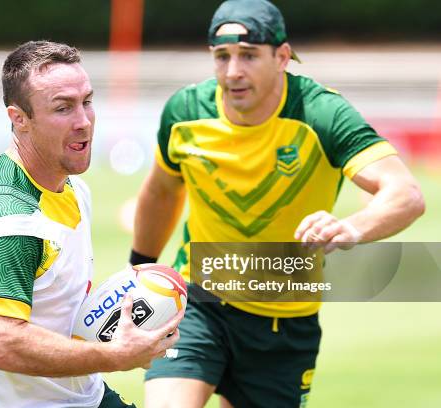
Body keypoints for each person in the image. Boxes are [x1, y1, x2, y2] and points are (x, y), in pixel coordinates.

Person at [130, 1, 426, 407]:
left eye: (248, 56)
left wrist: (352, 227)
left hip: (283, 320)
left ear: (282, 57)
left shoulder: (322, 113)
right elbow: (162, 191)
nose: (233, 71)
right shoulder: (185, 112)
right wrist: (137, 268)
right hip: (198, 302)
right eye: (222, 57)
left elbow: (404, 194)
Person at [0, 40, 182, 408]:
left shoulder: (70, 186)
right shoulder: (12, 224)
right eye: (63, 108)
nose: (83, 121)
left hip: (85, 395)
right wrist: (117, 355)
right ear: (18, 118)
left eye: (87, 101)